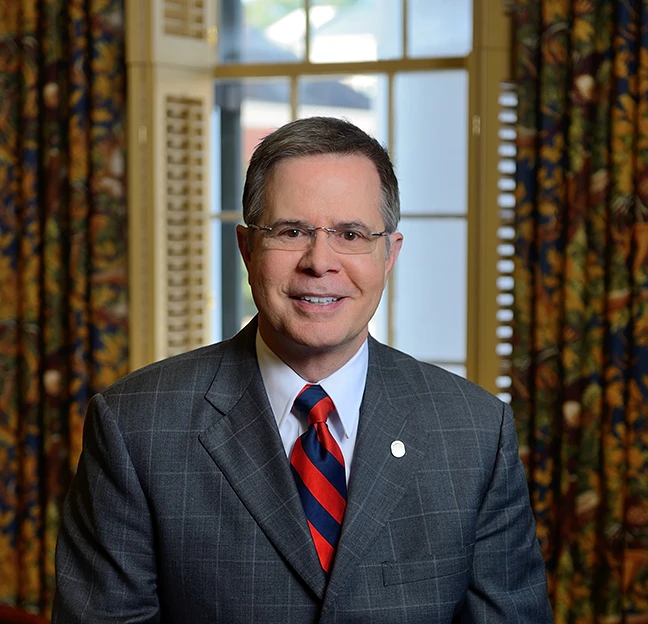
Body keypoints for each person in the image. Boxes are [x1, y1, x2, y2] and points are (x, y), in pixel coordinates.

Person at [52, 117, 553, 623]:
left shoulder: (475, 431)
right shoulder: (135, 426)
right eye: (292, 231)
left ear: (389, 255)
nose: (321, 262)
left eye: (352, 234)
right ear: (248, 250)